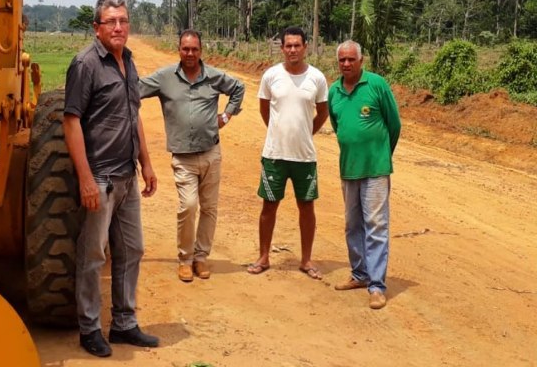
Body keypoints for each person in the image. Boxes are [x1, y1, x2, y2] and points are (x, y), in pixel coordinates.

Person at [63, 0, 159, 357]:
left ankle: (123, 323)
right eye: (111, 21)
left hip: (127, 176)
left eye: (123, 21)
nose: (118, 27)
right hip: (100, 178)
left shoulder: (128, 61)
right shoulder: (85, 64)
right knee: (93, 256)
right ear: (97, 27)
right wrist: (86, 179)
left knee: (132, 249)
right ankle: (89, 328)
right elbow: (71, 122)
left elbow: (134, 114)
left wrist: (146, 163)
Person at [140, 29, 245, 283]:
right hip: (183, 158)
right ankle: (185, 259)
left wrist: (227, 115)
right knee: (188, 206)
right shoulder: (165, 78)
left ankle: (201, 257)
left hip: (211, 153)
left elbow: (238, 88)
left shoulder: (213, 76)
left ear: (201, 51)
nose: (190, 53)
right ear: (179, 50)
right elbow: (134, 89)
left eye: (194, 49)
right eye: (185, 49)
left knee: (209, 208)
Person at [247, 26, 329, 280]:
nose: (293, 50)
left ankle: (306, 260)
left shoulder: (317, 78)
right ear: (282, 48)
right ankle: (263, 257)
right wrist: (277, 132)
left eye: (297, 45)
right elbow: (264, 110)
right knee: (269, 206)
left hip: (305, 157)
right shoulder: (271, 76)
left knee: (307, 207)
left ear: (305, 47)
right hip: (274, 155)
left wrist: (306, 133)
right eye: (288, 45)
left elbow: (323, 112)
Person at [328, 40, 401, 310]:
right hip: (349, 168)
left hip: (375, 169)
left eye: (351, 59)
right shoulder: (334, 91)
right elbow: (338, 125)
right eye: (342, 60)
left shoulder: (377, 85)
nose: (346, 64)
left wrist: (382, 154)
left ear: (361, 61)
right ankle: (359, 274)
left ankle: (377, 285)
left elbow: (394, 124)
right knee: (352, 224)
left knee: (376, 226)